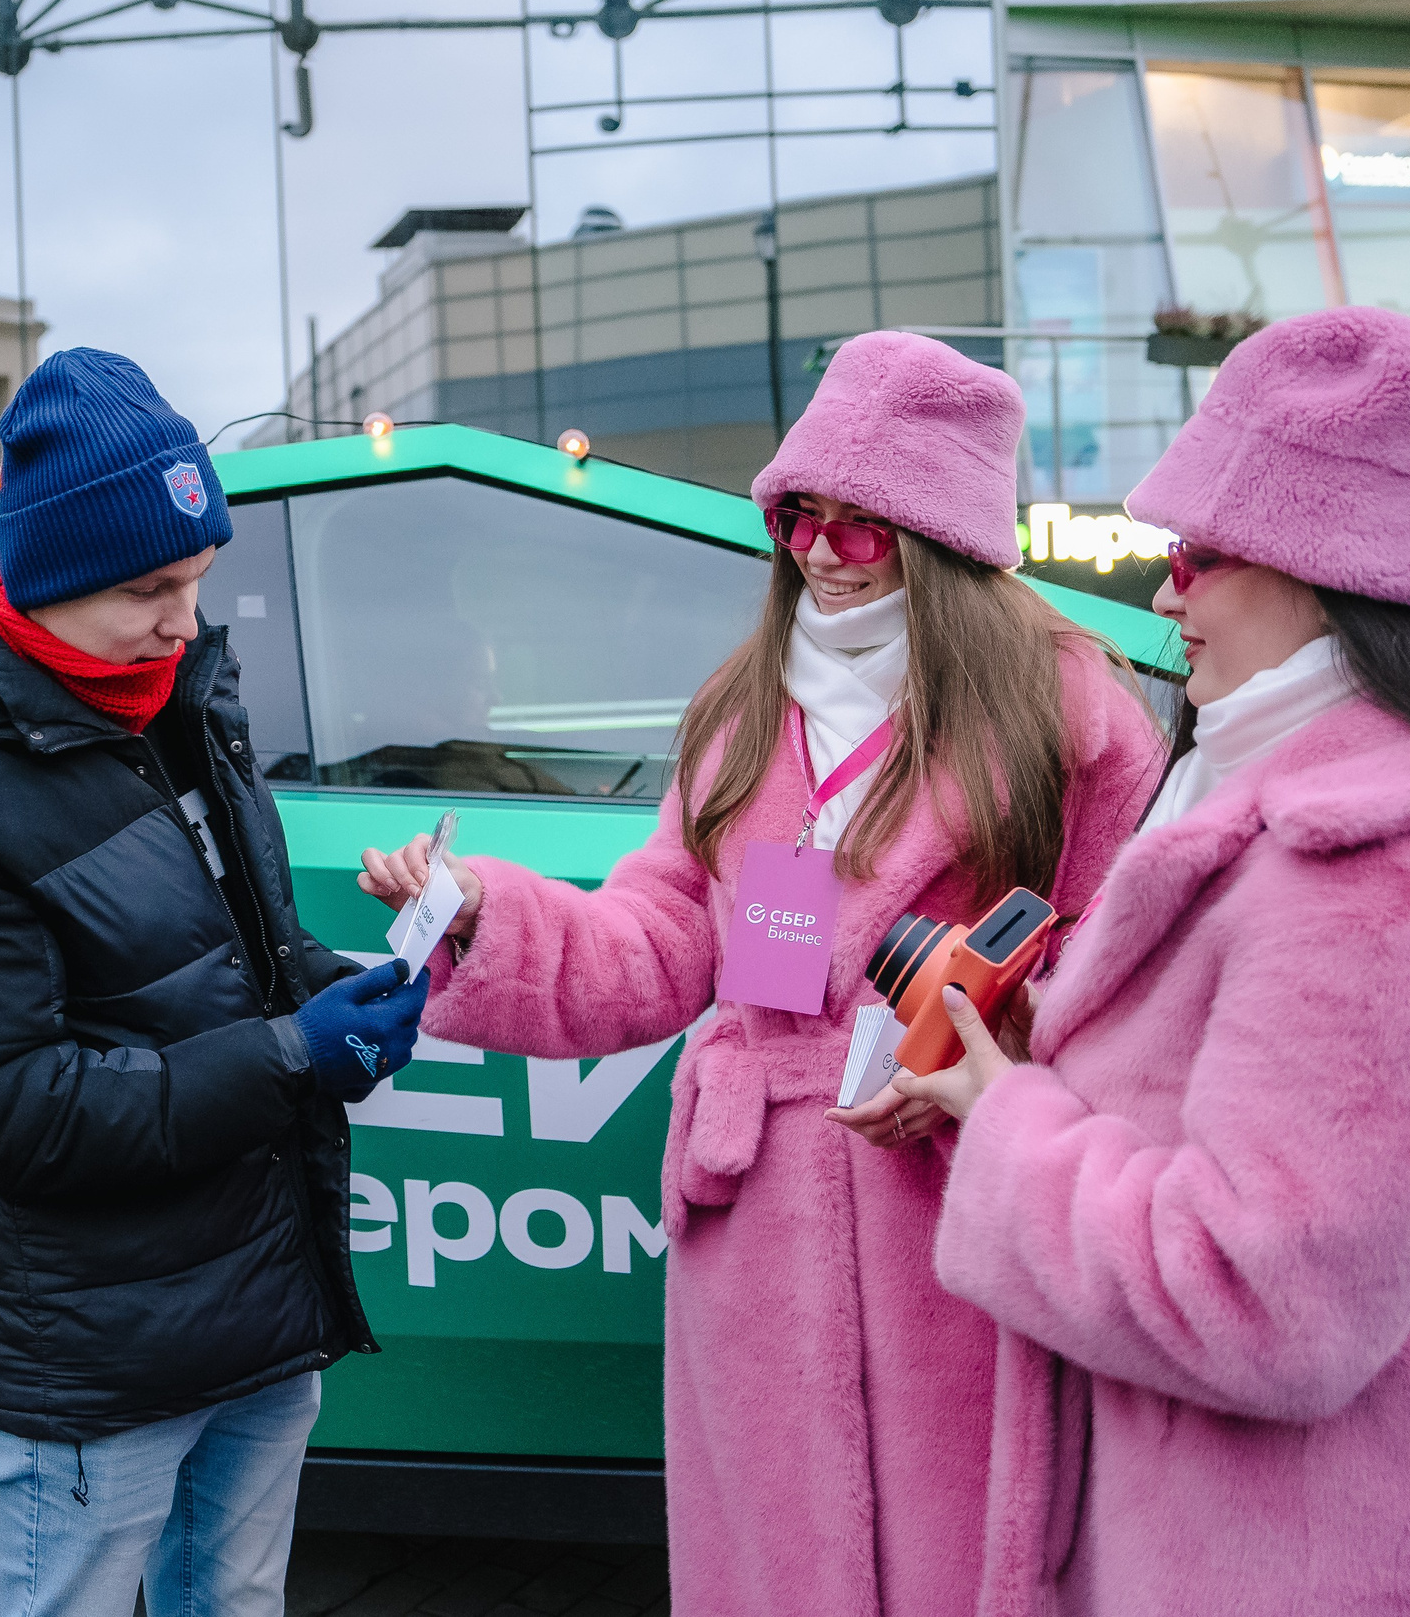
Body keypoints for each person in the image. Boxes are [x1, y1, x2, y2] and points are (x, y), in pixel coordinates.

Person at [357, 332, 1168, 1617]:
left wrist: (980, 1056)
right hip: (758, 1213)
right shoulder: (740, 709)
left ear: (941, 538)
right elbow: (662, 940)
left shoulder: (1070, 713)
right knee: (777, 1564)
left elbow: (1120, 976)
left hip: (949, 1200)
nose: (817, 555)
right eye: (799, 516)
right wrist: (477, 913)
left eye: (859, 528)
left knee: (963, 1555)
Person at [895, 307, 1410, 1615]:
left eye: (1195, 551)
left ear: (1319, 561)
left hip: (1331, 1545)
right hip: (1331, 1518)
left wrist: (1012, 1119)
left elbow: (1262, 1298)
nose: (1165, 591)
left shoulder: (1372, 868)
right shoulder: (1332, 812)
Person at [0, 347, 430, 1617]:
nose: (187, 618)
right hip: (94, 1361)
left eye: (201, 578)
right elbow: (12, 1110)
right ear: (45, 582)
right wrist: (291, 1059)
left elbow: (216, 959)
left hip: (258, 1302)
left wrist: (335, 990)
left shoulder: (180, 699)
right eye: (150, 588)